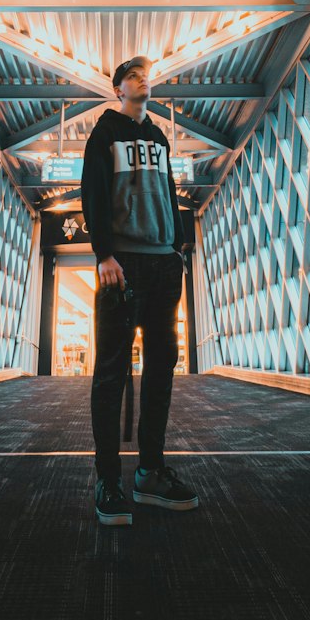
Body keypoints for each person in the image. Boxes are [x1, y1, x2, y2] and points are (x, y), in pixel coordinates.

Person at [81, 55, 199, 526]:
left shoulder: (158, 137)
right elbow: (92, 190)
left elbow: (168, 192)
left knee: (161, 369)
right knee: (111, 372)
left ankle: (149, 472)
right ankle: (108, 479)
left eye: (145, 75)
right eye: (132, 76)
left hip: (162, 264)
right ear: (118, 90)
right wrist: (103, 254)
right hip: (122, 266)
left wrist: (177, 248)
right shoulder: (105, 132)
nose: (142, 80)